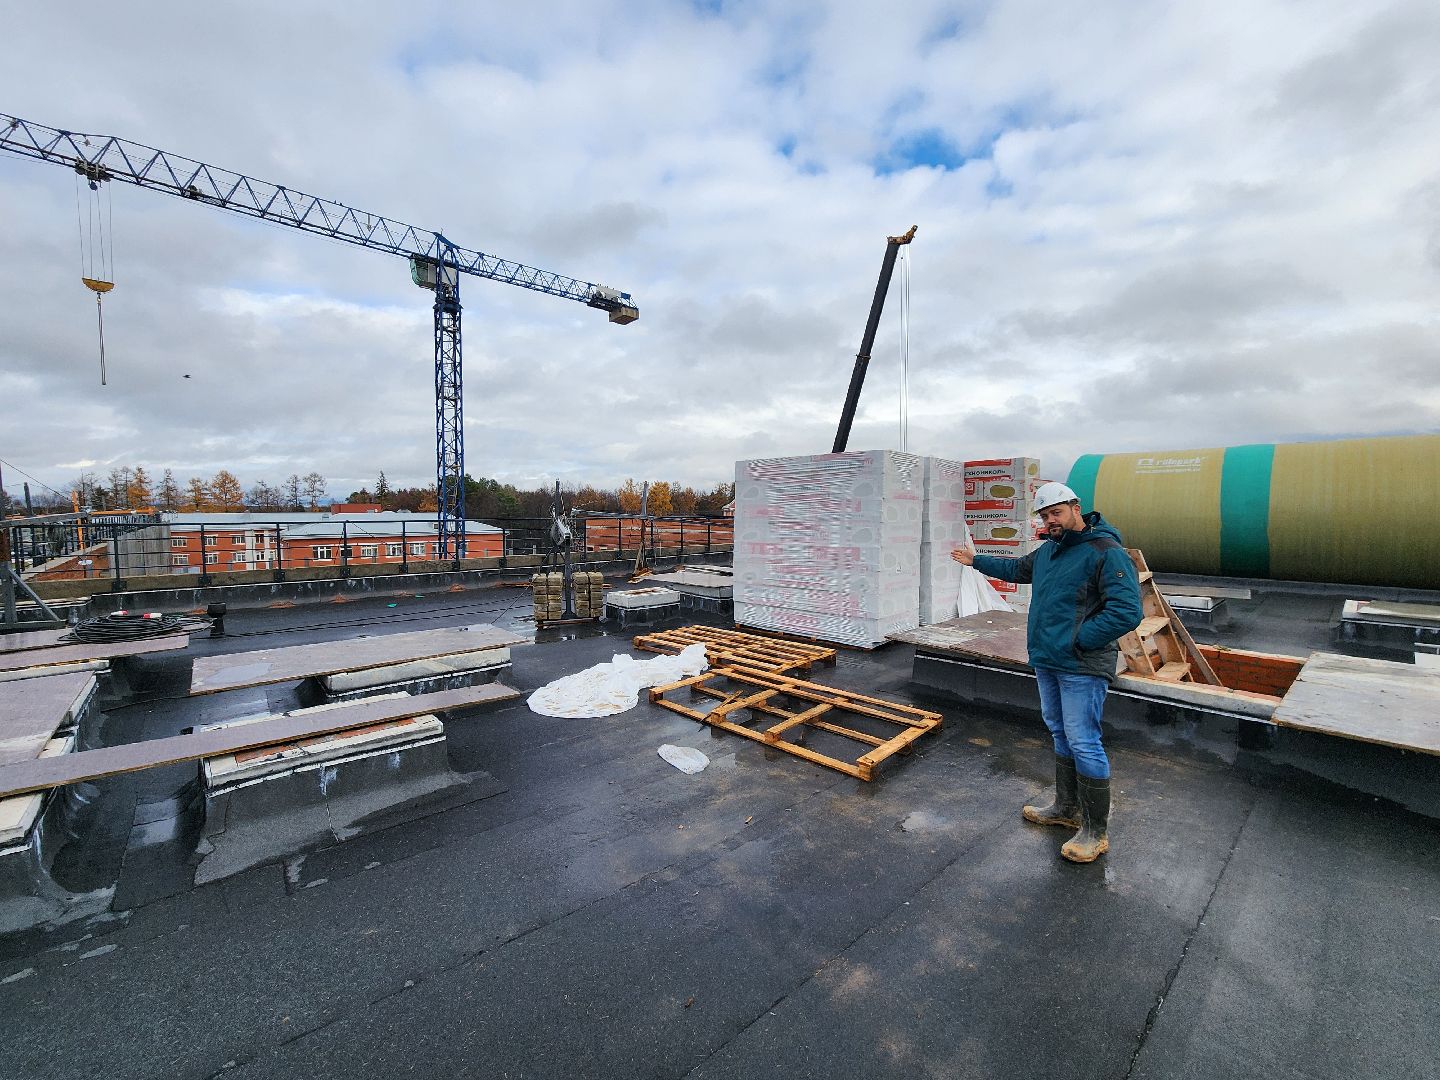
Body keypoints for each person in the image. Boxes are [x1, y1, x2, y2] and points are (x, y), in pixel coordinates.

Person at [951, 482, 1142, 862]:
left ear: (1076, 508)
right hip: (1048, 660)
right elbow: (1016, 568)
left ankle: (1094, 831)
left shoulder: (1106, 552)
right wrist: (976, 561)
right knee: (1059, 730)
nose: (1050, 520)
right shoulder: (1050, 551)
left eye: (1055, 512)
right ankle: (1066, 808)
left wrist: (1078, 640)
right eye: (1044, 515)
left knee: (1083, 738)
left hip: (1081, 664)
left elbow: (1126, 612)